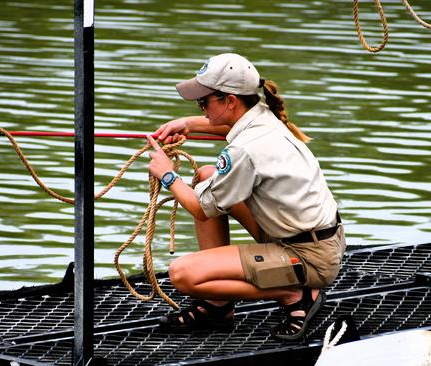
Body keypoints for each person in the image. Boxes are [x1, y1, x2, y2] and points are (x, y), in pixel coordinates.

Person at [146, 53, 345, 341]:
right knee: (205, 176)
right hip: (318, 240)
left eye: (204, 102)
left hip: (308, 257)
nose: (201, 107)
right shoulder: (263, 115)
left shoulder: (245, 150)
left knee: (182, 275)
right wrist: (187, 123)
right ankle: (218, 305)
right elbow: (228, 126)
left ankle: (295, 294)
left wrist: (168, 176)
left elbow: (201, 209)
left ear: (230, 101)